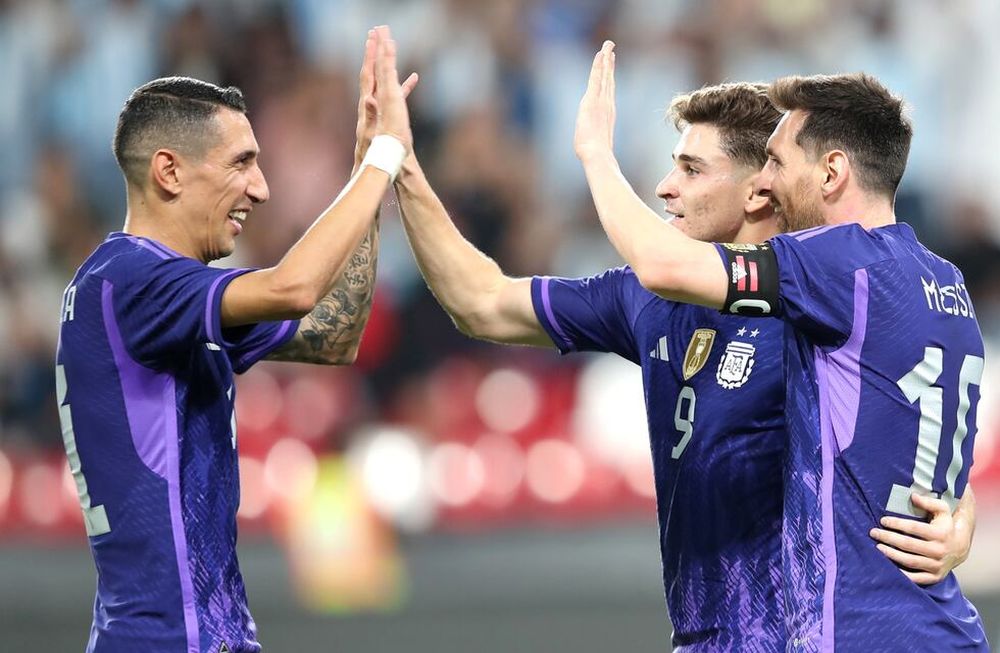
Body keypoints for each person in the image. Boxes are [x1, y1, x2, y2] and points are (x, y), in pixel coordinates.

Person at [390, 73, 975, 650]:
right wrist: (404, 169)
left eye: (692, 170)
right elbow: (482, 303)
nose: (666, 187)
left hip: (805, 638)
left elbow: (913, 426)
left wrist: (958, 519)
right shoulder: (650, 302)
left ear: (757, 191)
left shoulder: (825, 291)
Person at [573, 42, 988, 650]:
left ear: (832, 171)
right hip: (941, 629)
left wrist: (592, 153)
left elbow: (663, 264)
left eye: (775, 161)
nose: (765, 182)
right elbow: (913, 437)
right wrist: (961, 518)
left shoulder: (839, 263)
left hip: (861, 634)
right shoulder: (941, 281)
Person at [54, 26, 413, 653]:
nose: (261, 187)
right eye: (242, 163)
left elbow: (334, 335)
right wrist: (381, 161)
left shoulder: (172, 295)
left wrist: (363, 167)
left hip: (197, 635)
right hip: (165, 639)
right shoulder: (132, 280)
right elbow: (295, 288)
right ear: (169, 171)